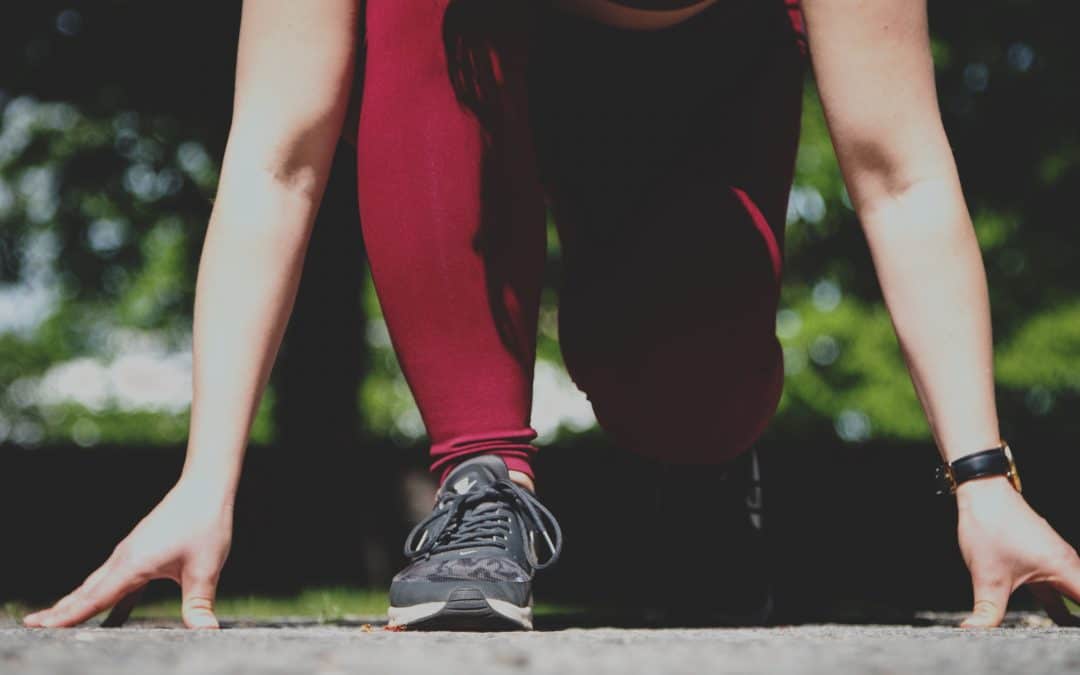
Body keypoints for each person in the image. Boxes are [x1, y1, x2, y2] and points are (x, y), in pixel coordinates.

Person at [22, 0, 1080, 632]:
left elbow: (897, 172)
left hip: (696, 99)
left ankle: (708, 473)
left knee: (681, 387)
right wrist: (205, 485)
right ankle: (482, 485)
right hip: (458, 82)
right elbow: (275, 159)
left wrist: (983, 483)